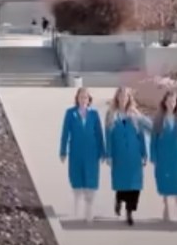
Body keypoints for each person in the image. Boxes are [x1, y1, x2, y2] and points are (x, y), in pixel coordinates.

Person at [59, 87, 105, 222]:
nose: (83, 100)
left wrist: (102, 151)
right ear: (77, 99)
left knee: (91, 180)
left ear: (89, 99)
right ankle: (76, 208)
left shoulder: (94, 114)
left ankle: (89, 210)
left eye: (85, 97)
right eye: (81, 97)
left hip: (92, 152)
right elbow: (65, 133)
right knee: (77, 179)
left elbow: (99, 134)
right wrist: (63, 151)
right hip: (76, 152)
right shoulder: (70, 113)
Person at [105, 87, 147, 226]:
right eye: (121, 96)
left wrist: (144, 153)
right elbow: (108, 137)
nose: (123, 99)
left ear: (129, 98)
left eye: (126, 96)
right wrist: (109, 155)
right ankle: (119, 200)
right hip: (119, 154)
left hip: (134, 154)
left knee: (135, 185)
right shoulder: (111, 114)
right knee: (122, 182)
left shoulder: (135, 114)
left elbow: (141, 136)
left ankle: (130, 212)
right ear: (117, 98)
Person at [150, 91, 177, 224]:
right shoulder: (159, 119)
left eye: (173, 101)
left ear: (176, 102)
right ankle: (166, 206)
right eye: (169, 101)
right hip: (163, 155)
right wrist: (153, 156)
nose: (171, 104)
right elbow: (153, 139)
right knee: (165, 183)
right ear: (164, 102)